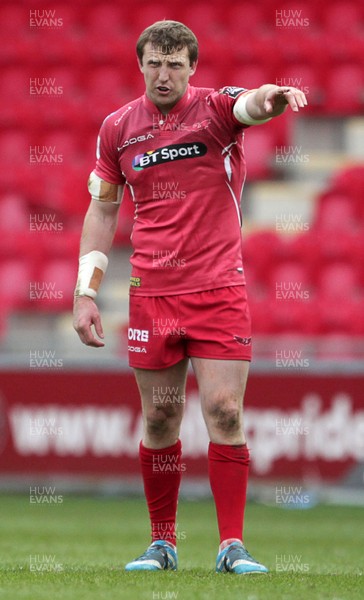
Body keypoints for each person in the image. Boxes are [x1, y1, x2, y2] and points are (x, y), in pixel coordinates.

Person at [73, 20, 307, 574]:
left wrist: (271, 98)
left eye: (175, 64)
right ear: (140, 65)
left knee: (225, 410)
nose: (163, 74)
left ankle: (231, 545)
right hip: (151, 291)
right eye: (154, 63)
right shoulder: (116, 129)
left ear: (192, 67)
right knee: (158, 419)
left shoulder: (216, 110)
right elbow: (103, 209)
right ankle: (162, 543)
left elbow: (250, 105)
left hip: (218, 287)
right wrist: (86, 293)